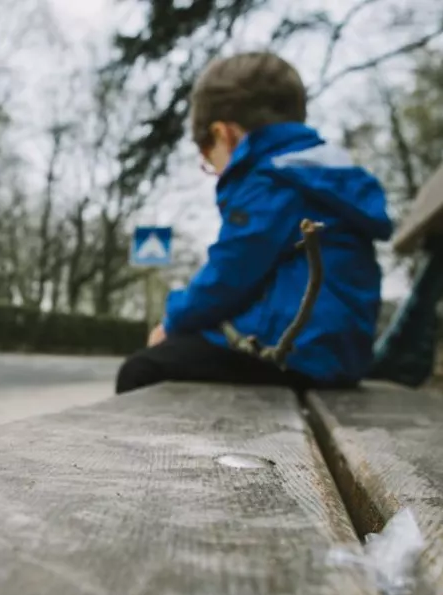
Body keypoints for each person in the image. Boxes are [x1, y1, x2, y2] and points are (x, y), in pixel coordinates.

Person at [116, 52, 393, 395]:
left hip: (293, 354)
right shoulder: (322, 174)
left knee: (142, 370)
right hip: (334, 356)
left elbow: (229, 275)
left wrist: (172, 322)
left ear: (224, 134)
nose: (215, 172)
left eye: (209, 160)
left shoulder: (271, 180)